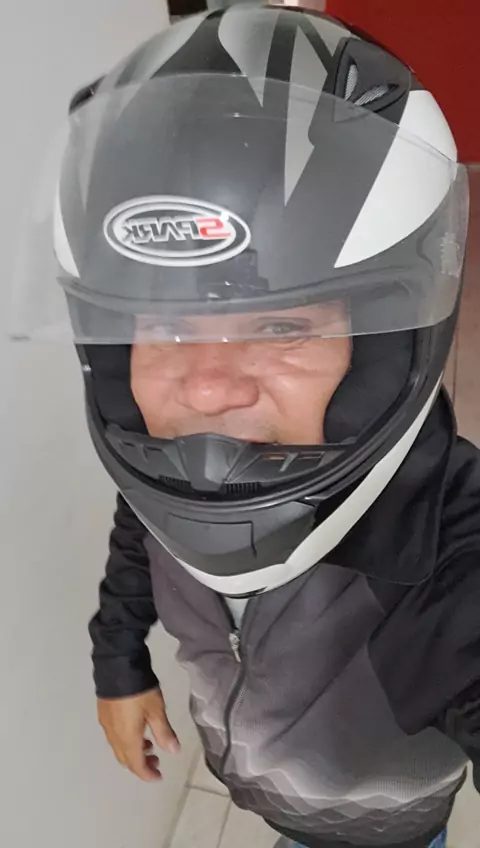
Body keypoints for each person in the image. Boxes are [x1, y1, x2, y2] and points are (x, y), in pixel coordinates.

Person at [15, 6, 478, 848]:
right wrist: (118, 664)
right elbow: (139, 538)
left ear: (385, 349)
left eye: (280, 326)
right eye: (166, 326)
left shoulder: (451, 538)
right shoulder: (170, 476)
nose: (207, 388)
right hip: (263, 790)